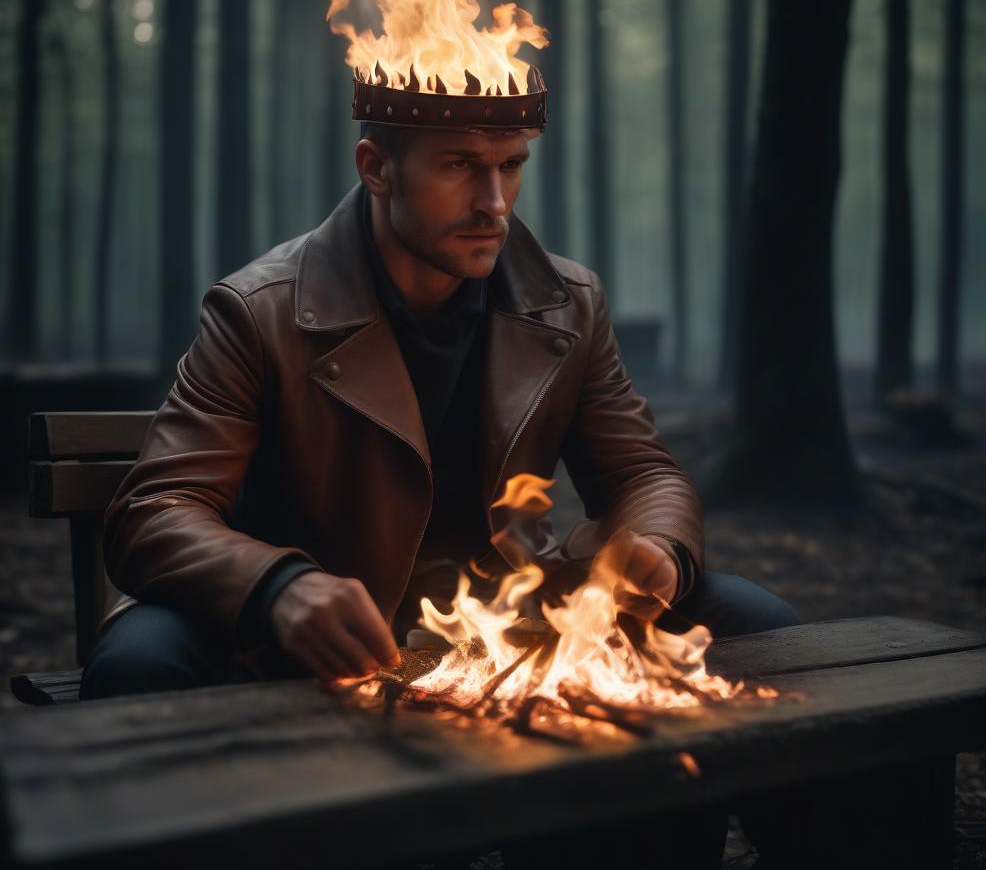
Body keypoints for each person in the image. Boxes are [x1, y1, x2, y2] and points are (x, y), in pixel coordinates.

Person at [81, 118, 799, 868]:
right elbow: (155, 510)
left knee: (756, 621)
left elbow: (642, 475)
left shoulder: (566, 303)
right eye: (461, 166)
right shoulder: (260, 309)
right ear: (376, 167)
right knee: (141, 663)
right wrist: (280, 588)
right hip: (299, 648)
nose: (495, 200)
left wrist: (656, 549)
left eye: (511, 166)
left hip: (506, 632)